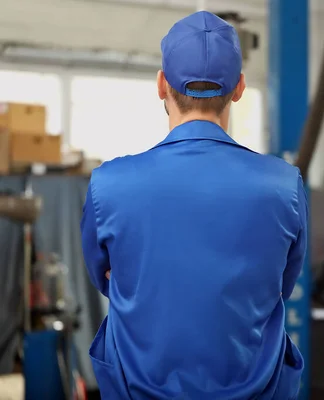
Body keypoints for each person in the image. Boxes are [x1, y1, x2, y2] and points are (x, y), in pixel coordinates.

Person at [80, 11, 307, 400]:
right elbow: (282, 285)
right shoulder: (284, 185)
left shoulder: (109, 184)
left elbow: (106, 278)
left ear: (161, 84)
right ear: (239, 88)